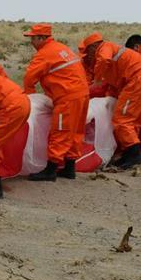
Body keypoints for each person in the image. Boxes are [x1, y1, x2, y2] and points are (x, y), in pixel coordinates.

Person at [21, 23, 90, 181]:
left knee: (60, 131)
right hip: (82, 94)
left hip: (67, 97)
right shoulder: (61, 48)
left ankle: (51, 169)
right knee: (76, 131)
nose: (31, 42)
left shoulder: (45, 53)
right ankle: (70, 168)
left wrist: (30, 100)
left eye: (33, 38)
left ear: (41, 38)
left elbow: (29, 78)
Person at [80, 33, 141, 169]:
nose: (89, 57)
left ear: (94, 47)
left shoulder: (105, 48)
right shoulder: (117, 59)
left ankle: (134, 155)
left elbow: (103, 60)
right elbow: (111, 86)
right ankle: (129, 153)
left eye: (88, 52)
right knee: (133, 120)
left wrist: (97, 79)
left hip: (138, 81)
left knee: (122, 120)